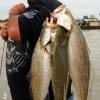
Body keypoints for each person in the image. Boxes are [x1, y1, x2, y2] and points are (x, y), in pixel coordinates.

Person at [0, 0, 62, 100]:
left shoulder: (46, 7)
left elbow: (15, 32)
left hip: (40, 93)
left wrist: (13, 13)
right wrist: (8, 34)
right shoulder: (29, 10)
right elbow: (18, 35)